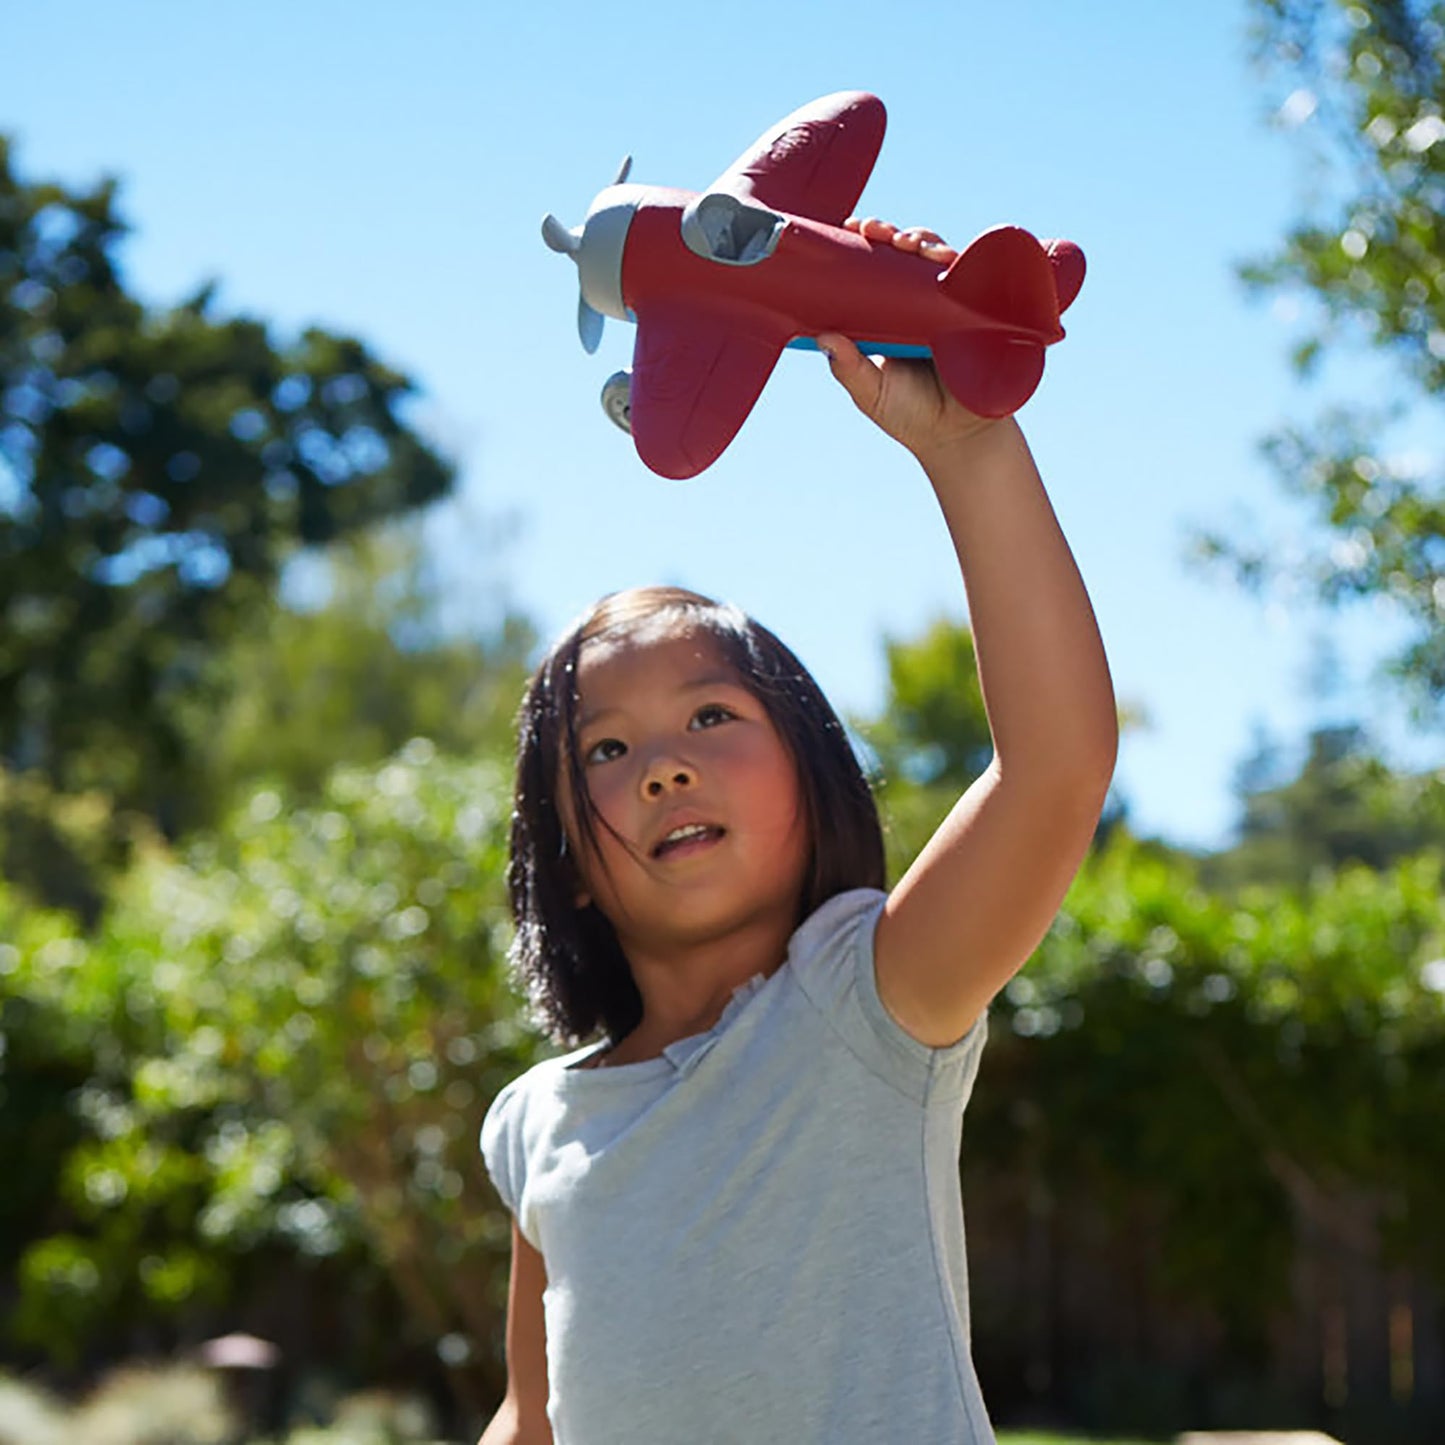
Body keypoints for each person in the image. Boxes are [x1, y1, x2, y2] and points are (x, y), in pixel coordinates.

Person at [478, 219, 1118, 1445]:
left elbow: (1054, 769)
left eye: (710, 716)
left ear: (813, 773)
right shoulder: (535, 1121)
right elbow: (532, 1416)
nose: (663, 765)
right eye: (604, 750)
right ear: (562, 859)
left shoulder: (862, 1006)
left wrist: (969, 448)